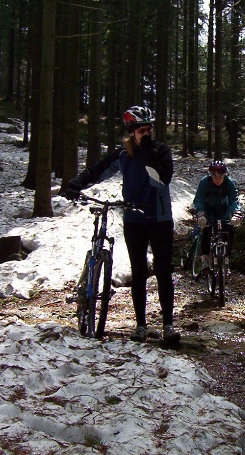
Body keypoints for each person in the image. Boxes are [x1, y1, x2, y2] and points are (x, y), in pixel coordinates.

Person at [61, 106, 180, 344]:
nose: (146, 134)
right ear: (132, 132)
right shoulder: (123, 155)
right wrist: (76, 183)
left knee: (163, 271)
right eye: (142, 131)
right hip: (134, 220)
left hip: (159, 220)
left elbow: (162, 180)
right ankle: (140, 325)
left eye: (149, 130)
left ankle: (168, 324)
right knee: (138, 272)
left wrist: (149, 155)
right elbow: (99, 169)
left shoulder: (161, 151)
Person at [192, 160, 241, 271]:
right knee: (206, 230)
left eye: (221, 176)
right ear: (211, 175)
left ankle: (227, 258)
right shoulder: (205, 182)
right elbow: (199, 199)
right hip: (208, 211)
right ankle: (205, 259)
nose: (218, 179)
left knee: (229, 230)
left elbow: (234, 200)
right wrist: (200, 214)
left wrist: (236, 213)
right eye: (214, 176)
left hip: (223, 211)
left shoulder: (229, 183)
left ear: (225, 175)